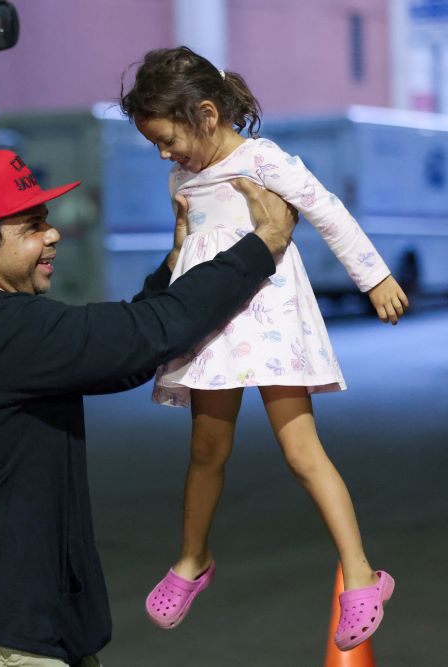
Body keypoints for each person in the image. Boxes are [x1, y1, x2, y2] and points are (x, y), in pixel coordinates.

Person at [0, 148, 298, 666]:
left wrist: (174, 266)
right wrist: (262, 247)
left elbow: (121, 356)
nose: (53, 234)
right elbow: (145, 335)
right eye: (32, 226)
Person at [119, 46, 406, 650]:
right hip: (212, 318)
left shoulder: (263, 160)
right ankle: (192, 560)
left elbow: (326, 211)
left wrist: (373, 276)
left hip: (269, 315)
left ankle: (361, 572)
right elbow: (190, 253)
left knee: (302, 451)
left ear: (204, 113)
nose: (164, 154)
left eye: (167, 138)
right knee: (206, 449)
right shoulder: (184, 179)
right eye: (156, 145)